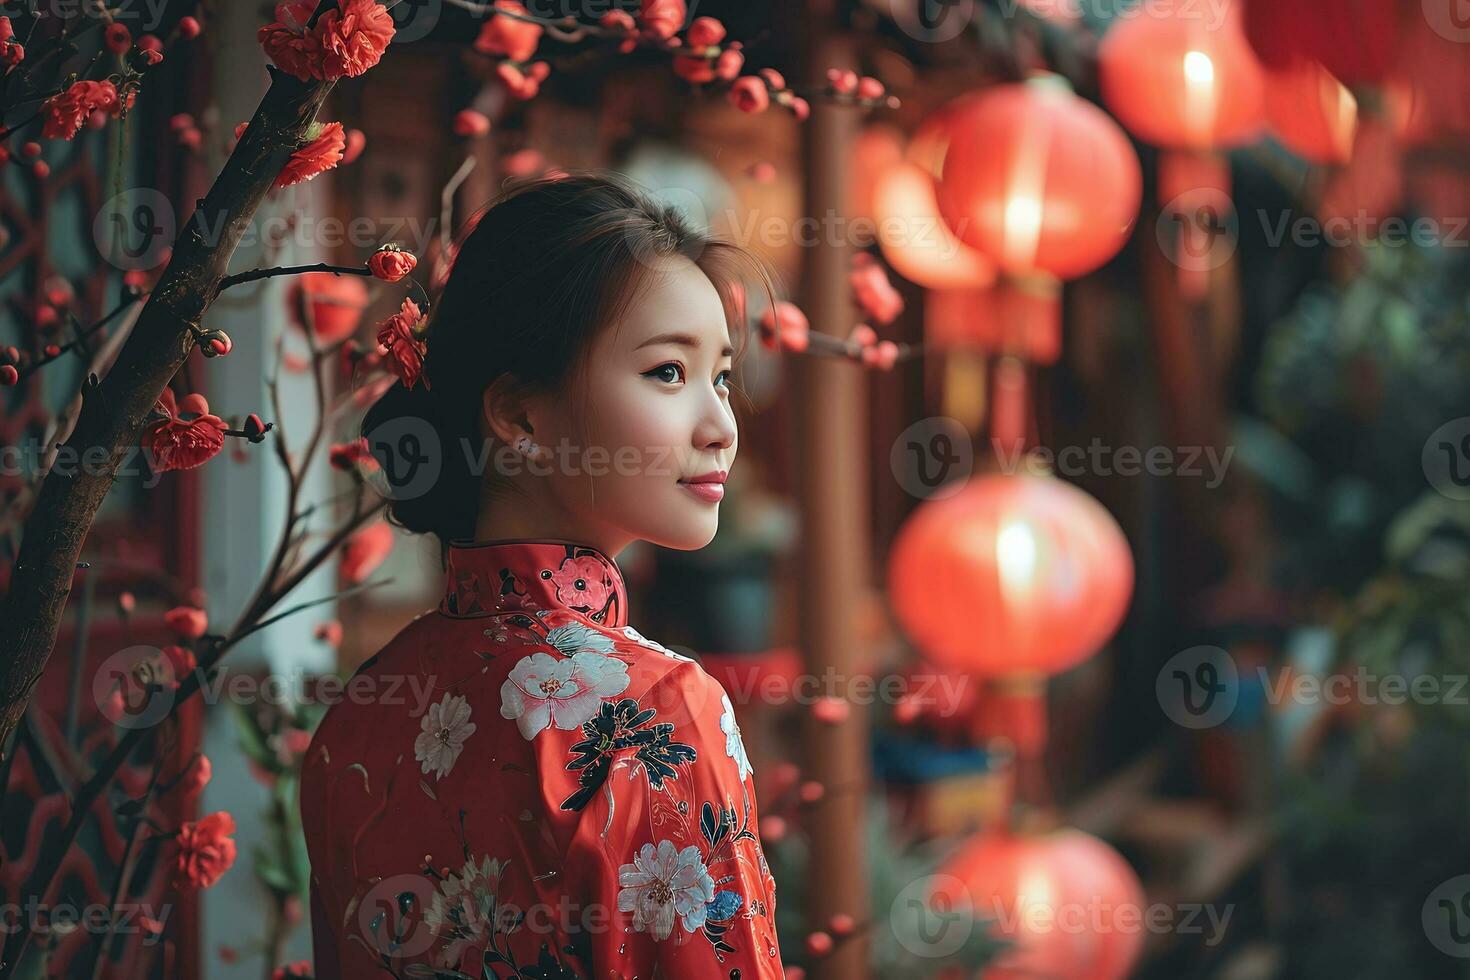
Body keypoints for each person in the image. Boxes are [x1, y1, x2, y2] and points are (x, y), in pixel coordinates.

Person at [299, 171, 787, 979]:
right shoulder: (654, 713)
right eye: (668, 372)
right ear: (520, 415)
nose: (722, 428)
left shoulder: (361, 712)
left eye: (721, 376)